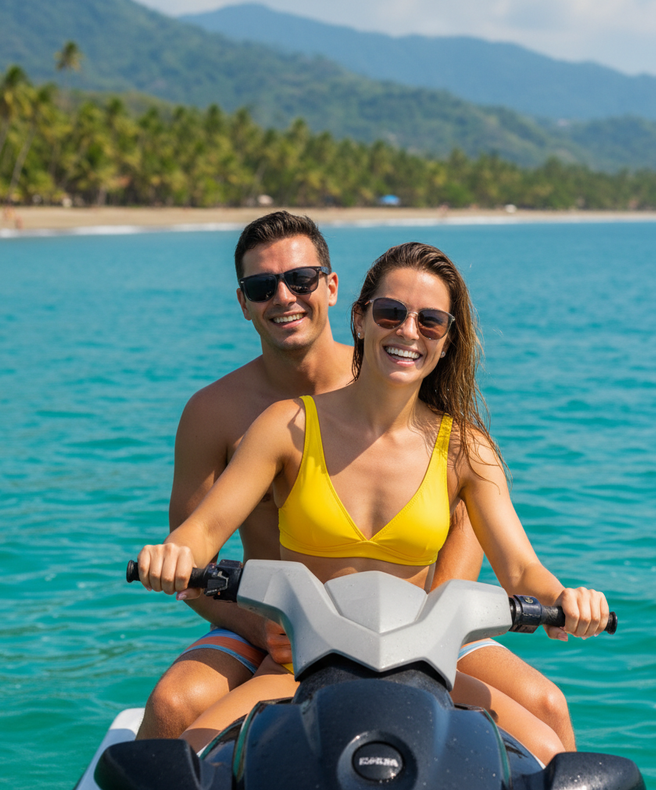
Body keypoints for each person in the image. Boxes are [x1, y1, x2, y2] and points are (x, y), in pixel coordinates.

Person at [138, 241, 610, 763]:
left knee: (544, 749)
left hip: (424, 657)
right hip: (303, 659)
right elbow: (202, 530)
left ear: (448, 341)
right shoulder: (286, 426)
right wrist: (175, 552)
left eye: (430, 322)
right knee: (194, 754)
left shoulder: (467, 449)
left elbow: (521, 569)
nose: (408, 331)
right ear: (361, 319)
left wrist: (568, 598)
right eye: (391, 313)